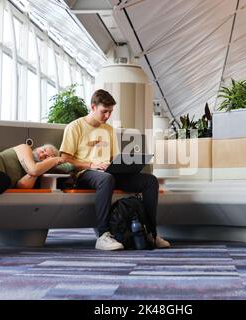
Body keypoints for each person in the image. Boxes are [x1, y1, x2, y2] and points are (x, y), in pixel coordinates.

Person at [59, 89, 170, 251]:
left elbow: (113, 157)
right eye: (104, 112)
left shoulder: (109, 130)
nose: (107, 116)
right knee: (106, 179)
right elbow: (65, 159)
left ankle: (150, 233)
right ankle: (103, 235)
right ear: (93, 107)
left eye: (110, 112)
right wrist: (91, 165)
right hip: (86, 174)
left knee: (149, 181)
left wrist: (124, 165)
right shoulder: (75, 127)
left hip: (109, 172)